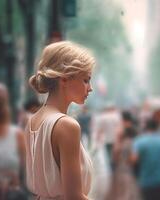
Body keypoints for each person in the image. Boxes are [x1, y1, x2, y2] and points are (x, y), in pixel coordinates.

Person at [25, 41, 95, 200]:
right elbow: (74, 197)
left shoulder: (32, 121)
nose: (90, 88)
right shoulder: (66, 125)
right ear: (64, 79)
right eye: (86, 80)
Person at [131, 118, 160, 200]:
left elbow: (134, 160)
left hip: (146, 180)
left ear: (146, 127)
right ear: (157, 127)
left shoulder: (139, 141)